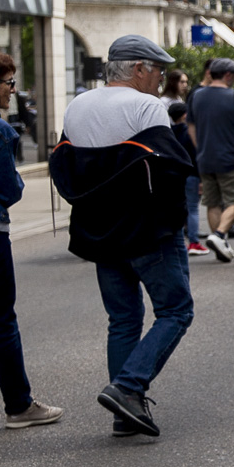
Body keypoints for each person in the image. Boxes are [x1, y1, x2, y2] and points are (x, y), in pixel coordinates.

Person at [48, 34, 195, 437]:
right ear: (138, 69)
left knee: (123, 319)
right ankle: (128, 388)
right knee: (176, 311)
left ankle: (123, 414)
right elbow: (166, 170)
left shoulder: (77, 105)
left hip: (99, 228)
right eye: (158, 71)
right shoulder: (146, 106)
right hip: (148, 229)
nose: (160, 80)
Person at [0, 46, 62, 428]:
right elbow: (10, 191)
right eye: (9, 83)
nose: (13, 90)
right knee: (1, 322)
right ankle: (19, 406)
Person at [186, 58, 234, 261]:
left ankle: (221, 246)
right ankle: (219, 234)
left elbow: (191, 127)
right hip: (231, 158)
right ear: (228, 75)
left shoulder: (196, 96)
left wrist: (200, 148)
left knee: (212, 202)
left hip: (205, 158)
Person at [168, 101, 208, 257]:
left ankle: (179, 241)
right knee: (192, 209)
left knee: (178, 208)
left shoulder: (170, 132)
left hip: (174, 175)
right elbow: (195, 155)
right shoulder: (189, 133)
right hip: (191, 174)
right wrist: (201, 178)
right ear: (185, 115)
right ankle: (194, 242)